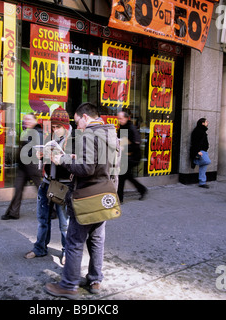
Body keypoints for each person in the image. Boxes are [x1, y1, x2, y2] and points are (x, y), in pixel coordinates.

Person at [44, 102, 117, 299]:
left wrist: (63, 161)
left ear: (85, 117)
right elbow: (110, 167)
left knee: (75, 240)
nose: (77, 127)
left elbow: (86, 169)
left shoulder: (89, 134)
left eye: (77, 122)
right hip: (104, 195)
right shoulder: (110, 132)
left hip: (86, 196)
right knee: (97, 239)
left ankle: (68, 285)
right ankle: (95, 280)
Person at [24, 107, 71, 264]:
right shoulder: (50, 137)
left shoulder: (74, 140)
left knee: (64, 223)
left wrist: (62, 158)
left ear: (66, 125)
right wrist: (41, 155)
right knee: (42, 219)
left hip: (62, 186)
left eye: (58, 127)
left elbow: (75, 164)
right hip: (46, 181)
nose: (55, 129)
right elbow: (46, 160)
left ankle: (66, 251)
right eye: (53, 126)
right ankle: (40, 247)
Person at [1, 113, 43, 220]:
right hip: (23, 166)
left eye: (29, 119)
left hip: (32, 165)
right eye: (25, 120)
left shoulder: (38, 133)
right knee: (18, 188)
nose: (26, 121)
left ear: (35, 120)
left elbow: (39, 149)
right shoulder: (27, 132)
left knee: (41, 189)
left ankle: (53, 210)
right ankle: (13, 212)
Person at [117, 111, 146, 202]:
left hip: (133, 157)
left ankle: (119, 198)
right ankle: (142, 190)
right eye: (118, 118)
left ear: (126, 118)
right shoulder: (122, 127)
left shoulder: (131, 128)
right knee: (127, 176)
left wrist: (124, 147)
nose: (119, 120)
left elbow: (136, 145)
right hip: (126, 157)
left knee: (122, 176)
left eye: (121, 118)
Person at [190, 118, 211, 188]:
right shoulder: (198, 131)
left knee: (203, 167)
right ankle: (195, 161)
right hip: (200, 151)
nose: (207, 122)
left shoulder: (203, 131)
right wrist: (197, 152)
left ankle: (202, 182)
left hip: (204, 151)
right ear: (202, 123)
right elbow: (195, 142)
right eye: (206, 122)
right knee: (207, 161)